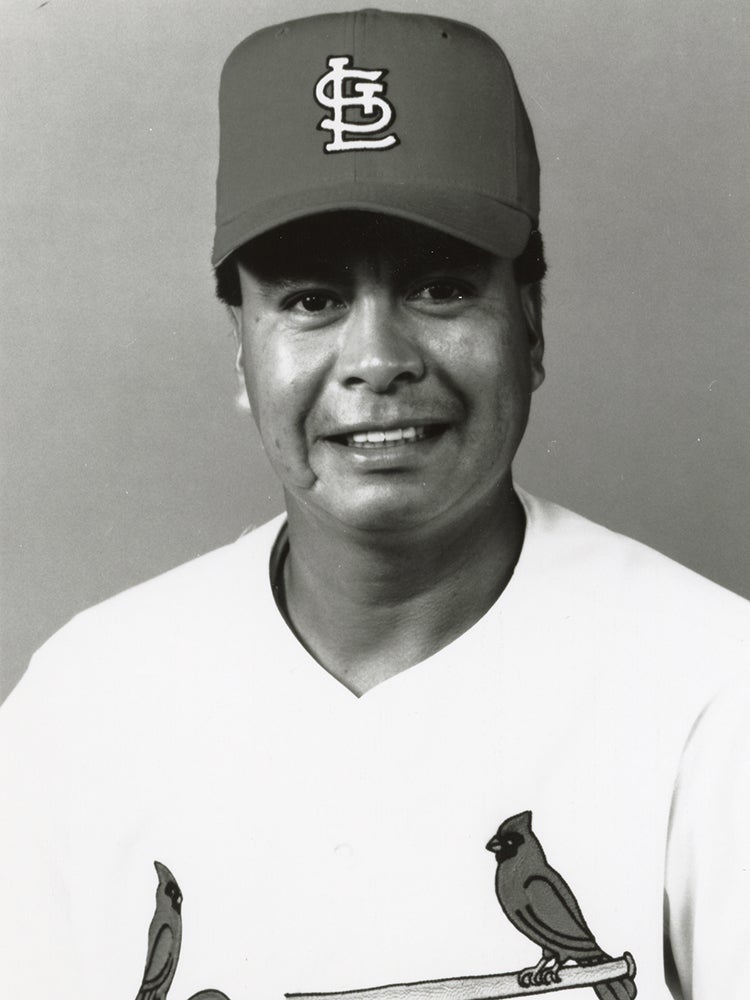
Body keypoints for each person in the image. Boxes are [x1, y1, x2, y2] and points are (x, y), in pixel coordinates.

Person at [0, 10, 747, 1000]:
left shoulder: (713, 688)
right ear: (242, 347)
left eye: (440, 288)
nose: (379, 360)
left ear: (529, 324)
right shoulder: (83, 701)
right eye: (311, 299)